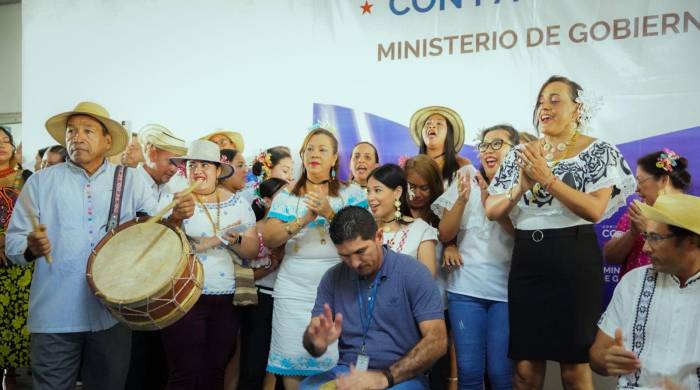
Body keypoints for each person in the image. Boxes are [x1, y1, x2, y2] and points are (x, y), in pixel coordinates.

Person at [4, 101, 194, 390]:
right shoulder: (41, 182)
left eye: (87, 131)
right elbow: (13, 244)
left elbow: (159, 228)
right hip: (54, 314)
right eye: (71, 131)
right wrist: (31, 247)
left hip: (112, 313)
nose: (76, 137)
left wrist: (178, 216)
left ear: (108, 141)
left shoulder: (129, 180)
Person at [484, 76, 636, 390]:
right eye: (541, 102)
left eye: (555, 100)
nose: (545, 108)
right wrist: (520, 188)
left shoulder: (598, 151)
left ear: (577, 108)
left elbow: (595, 210)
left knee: (573, 369)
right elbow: (492, 209)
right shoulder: (521, 154)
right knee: (525, 368)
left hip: (573, 259)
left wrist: (549, 180)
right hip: (528, 259)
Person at [263, 126, 368, 389]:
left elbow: (363, 237)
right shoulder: (286, 196)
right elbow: (271, 238)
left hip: (338, 289)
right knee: (292, 364)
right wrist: (303, 220)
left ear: (334, 159)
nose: (314, 154)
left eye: (322, 149)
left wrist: (331, 214)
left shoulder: (351, 194)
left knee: (336, 366)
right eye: (309, 149)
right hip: (292, 292)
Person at [300, 205, 447, 389]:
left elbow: (438, 341)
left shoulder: (413, 273)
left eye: (360, 252)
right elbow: (314, 341)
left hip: (401, 375)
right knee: (307, 387)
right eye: (344, 256)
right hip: (349, 370)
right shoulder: (333, 277)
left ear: (378, 237)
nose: (354, 263)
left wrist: (385, 377)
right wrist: (316, 341)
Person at [162, 139, 258, 390]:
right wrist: (175, 217)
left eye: (205, 165)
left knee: (215, 371)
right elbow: (161, 245)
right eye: (192, 165)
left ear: (217, 172)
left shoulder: (238, 204)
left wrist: (233, 239)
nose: (198, 171)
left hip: (226, 298)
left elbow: (252, 250)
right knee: (183, 372)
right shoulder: (174, 201)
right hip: (182, 296)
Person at [432, 125, 519, 390]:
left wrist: (489, 202)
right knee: (469, 372)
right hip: (465, 290)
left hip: (505, 293)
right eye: (484, 145)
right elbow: (445, 232)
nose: (489, 150)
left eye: (498, 144)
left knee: (501, 373)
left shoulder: (524, 184)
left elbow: (521, 236)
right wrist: (461, 200)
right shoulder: (466, 175)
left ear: (515, 151)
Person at [590, 193, 700, 389]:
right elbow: (597, 355)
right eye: (646, 236)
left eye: (656, 238)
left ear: (691, 241)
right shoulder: (633, 281)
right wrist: (608, 359)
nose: (646, 248)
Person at [125, 123, 188, 390]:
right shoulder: (128, 183)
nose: (175, 168)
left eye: (178, 163)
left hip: (157, 287)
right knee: (135, 364)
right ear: (150, 150)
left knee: (157, 362)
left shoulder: (167, 189)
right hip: (130, 287)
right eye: (171, 160)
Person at [604, 149, 691, 278]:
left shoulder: (691, 216)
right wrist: (632, 233)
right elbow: (610, 257)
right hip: (633, 292)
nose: (636, 188)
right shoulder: (636, 213)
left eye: (640, 180)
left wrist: (648, 230)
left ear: (663, 180)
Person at [238, 177, 289, 390]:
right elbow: (244, 273)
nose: (288, 199)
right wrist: (269, 266)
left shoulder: (292, 228)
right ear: (267, 201)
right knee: (255, 357)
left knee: (279, 362)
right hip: (261, 297)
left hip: (284, 298)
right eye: (283, 195)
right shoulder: (254, 229)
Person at [0, 125, 33, 390]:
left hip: (19, 259)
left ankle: (13, 373)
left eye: (6, 140)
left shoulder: (27, 178)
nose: (2, 144)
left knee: (17, 315)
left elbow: (36, 216)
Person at [367, 164, 437, 275]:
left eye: (377, 190)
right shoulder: (366, 228)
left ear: (397, 192)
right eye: (368, 191)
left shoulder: (420, 230)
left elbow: (427, 282)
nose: (370, 197)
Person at [409, 106, 469, 186]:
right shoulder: (411, 166)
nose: (431, 126)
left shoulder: (462, 165)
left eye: (439, 123)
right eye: (428, 123)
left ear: (449, 133)